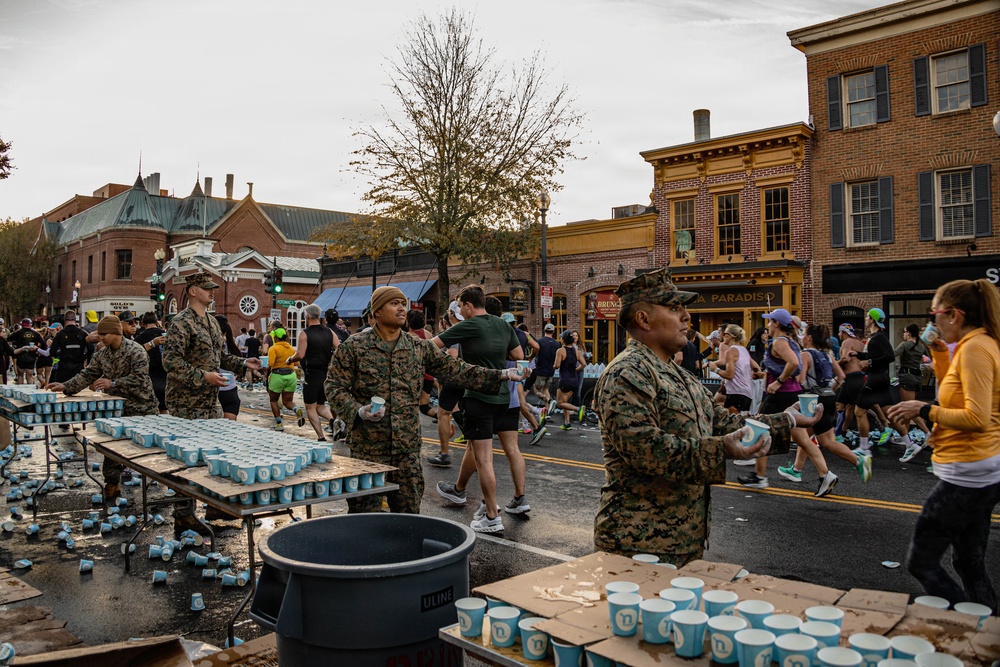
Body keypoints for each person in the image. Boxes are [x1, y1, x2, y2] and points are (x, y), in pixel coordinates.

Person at [593, 267, 815, 564]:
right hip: (637, 544)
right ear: (643, 319)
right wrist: (722, 449)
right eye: (674, 308)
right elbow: (647, 450)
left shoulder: (677, 374)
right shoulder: (628, 372)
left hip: (681, 539)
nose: (687, 317)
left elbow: (723, 422)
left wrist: (787, 420)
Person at [325, 285, 522, 516]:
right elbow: (333, 386)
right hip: (368, 450)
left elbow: (457, 370)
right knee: (365, 516)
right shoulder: (354, 347)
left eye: (403, 304)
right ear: (377, 311)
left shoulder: (417, 347)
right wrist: (357, 411)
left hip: (406, 451)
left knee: (409, 517)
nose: (401, 309)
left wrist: (501, 374)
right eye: (394, 303)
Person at [886, 279, 1000, 612]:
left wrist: (922, 409)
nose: (932, 323)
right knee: (969, 562)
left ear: (955, 314)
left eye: (935, 315)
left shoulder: (977, 348)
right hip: (979, 468)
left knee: (922, 561)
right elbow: (959, 389)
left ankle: (966, 624)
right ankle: (987, 628)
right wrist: (938, 353)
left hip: (969, 471)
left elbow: (976, 416)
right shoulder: (973, 344)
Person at [162, 271, 259, 533]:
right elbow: (170, 362)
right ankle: (183, 515)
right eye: (207, 288)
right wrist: (203, 376)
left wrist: (242, 363)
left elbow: (219, 359)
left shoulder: (212, 323)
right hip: (185, 402)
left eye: (213, 288)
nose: (212, 292)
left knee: (211, 454)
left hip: (208, 402)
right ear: (192, 291)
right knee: (185, 461)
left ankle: (214, 504)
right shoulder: (181, 323)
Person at [432, 286, 524, 533]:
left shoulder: (468, 325)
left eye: (461, 306)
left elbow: (432, 345)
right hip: (504, 398)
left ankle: (492, 515)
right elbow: (518, 353)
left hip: (477, 397)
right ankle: (459, 490)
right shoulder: (503, 325)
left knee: (484, 459)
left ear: (469, 305)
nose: (460, 311)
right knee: (477, 448)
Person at [46, 315, 158, 500]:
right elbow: (88, 374)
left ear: (115, 332)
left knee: (144, 449)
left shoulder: (136, 351)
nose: (101, 337)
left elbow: (140, 379)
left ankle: (154, 484)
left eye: (104, 334)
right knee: (111, 447)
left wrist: (112, 383)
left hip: (141, 407)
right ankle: (112, 484)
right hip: (116, 408)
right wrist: (66, 386)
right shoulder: (102, 355)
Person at [777, 324, 872, 496]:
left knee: (825, 441)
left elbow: (801, 378)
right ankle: (797, 469)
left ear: (809, 338)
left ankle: (857, 460)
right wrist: (830, 389)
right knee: (804, 435)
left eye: (804, 334)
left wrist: (788, 378)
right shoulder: (827, 355)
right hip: (828, 397)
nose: (802, 337)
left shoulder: (805, 354)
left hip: (812, 400)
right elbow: (841, 376)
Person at [739, 308, 802, 489]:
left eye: (769, 321)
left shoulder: (780, 342)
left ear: (776, 324)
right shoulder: (789, 341)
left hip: (779, 394)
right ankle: (825, 473)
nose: (767, 324)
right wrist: (764, 376)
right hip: (789, 392)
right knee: (801, 436)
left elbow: (794, 363)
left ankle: (760, 477)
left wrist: (778, 382)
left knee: (759, 431)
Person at [287, 304, 338, 441]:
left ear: (307, 316)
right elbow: (340, 349)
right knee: (320, 405)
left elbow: (300, 354)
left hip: (312, 374)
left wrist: (289, 359)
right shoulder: (329, 332)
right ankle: (334, 422)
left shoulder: (305, 333)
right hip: (326, 374)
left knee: (310, 407)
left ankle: (321, 437)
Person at [847, 308, 895, 453]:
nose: (866, 319)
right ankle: (910, 444)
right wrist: (859, 355)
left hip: (876, 378)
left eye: (868, 317)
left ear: (873, 319)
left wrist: (870, 363)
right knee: (890, 412)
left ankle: (864, 446)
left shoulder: (880, 337)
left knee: (859, 411)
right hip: (879, 378)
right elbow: (873, 355)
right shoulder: (874, 336)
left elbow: (890, 356)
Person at [427, 302, 465, 467]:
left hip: (456, 377)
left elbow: (453, 354)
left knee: (443, 413)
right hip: (475, 376)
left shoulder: (456, 331)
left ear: (452, 314)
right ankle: (476, 456)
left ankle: (444, 453)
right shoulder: (475, 326)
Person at [893, 323, 931, 461]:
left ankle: (928, 434)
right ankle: (906, 437)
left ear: (909, 333)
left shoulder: (905, 345)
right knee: (908, 410)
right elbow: (928, 361)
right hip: (917, 379)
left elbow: (893, 354)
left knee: (910, 409)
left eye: (904, 332)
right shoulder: (921, 347)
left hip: (907, 378)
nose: (904, 334)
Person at [708, 325, 761, 414]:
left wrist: (715, 369)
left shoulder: (731, 351)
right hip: (747, 393)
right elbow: (757, 368)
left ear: (732, 336)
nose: (722, 335)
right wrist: (749, 374)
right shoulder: (744, 350)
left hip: (736, 392)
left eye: (725, 334)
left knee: (732, 424)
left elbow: (730, 375)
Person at [266, 327, 304, 431]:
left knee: (273, 400)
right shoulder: (291, 348)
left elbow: (270, 363)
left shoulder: (273, 348)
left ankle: (279, 424)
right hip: (291, 376)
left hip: (277, 376)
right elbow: (296, 363)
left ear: (276, 338)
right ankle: (296, 410)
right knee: (288, 401)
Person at [835, 323, 866, 441]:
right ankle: (841, 433)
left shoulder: (846, 342)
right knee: (843, 405)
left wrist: (833, 365)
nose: (838, 334)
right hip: (860, 376)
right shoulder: (859, 343)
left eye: (839, 332)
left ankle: (838, 435)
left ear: (844, 332)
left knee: (863, 407)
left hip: (851, 378)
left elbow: (845, 358)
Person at [133, 312, 167, 413]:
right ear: (156, 322)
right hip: (166, 378)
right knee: (164, 410)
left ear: (142, 323)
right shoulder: (166, 335)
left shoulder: (139, 339)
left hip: (148, 380)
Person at [553, 330, 586, 430]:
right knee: (565, 401)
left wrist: (554, 365)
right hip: (574, 380)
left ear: (563, 340)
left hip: (564, 380)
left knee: (560, 403)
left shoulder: (560, 351)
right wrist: (576, 370)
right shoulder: (576, 351)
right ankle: (567, 423)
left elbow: (557, 365)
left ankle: (578, 409)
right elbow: (584, 364)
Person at [49, 311, 93, 384]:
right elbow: (91, 349)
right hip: (78, 366)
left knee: (63, 388)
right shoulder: (83, 333)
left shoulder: (60, 334)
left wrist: (61, 353)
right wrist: (84, 357)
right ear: (75, 320)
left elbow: (52, 352)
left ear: (65, 320)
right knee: (78, 388)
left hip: (64, 366)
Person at [214, 315, 242, 421]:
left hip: (214, 391)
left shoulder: (209, 346)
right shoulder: (232, 346)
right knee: (229, 429)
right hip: (230, 390)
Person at [531, 323, 561, 410]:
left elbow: (535, 353)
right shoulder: (557, 344)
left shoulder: (539, 341)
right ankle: (548, 410)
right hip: (551, 371)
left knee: (537, 390)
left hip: (540, 370)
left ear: (544, 330)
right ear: (553, 332)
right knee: (546, 389)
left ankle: (549, 400)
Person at [7, 319, 43, 385]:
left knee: (20, 376)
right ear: (30, 324)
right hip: (31, 357)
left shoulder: (18, 332)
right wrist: (38, 350)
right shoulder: (36, 333)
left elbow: (8, 339)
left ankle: (21, 392)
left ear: (22, 325)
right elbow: (44, 344)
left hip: (20, 356)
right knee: (29, 377)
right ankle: (31, 392)